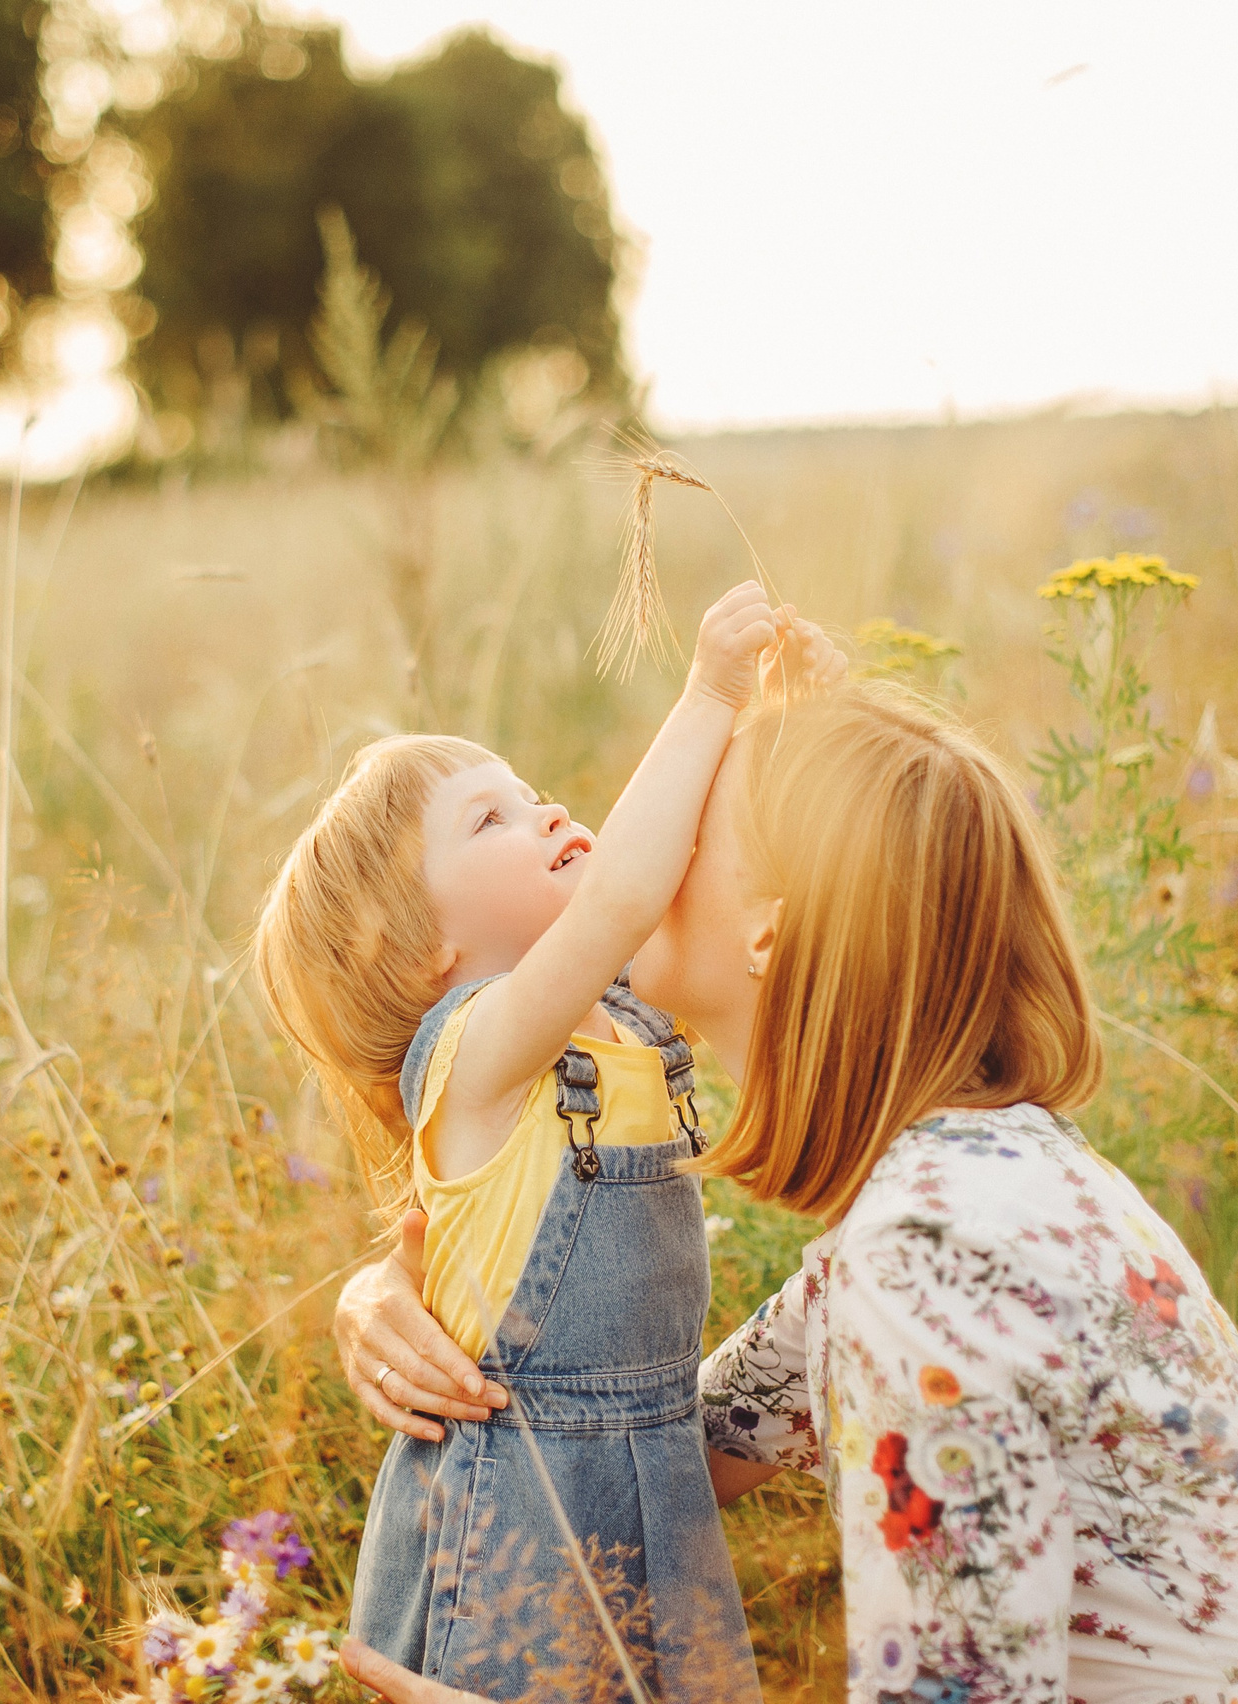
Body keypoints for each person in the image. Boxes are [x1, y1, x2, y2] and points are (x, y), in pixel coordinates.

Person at [337, 681, 1238, 1704]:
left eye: (692, 831)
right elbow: (644, 1444)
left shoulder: (926, 1263)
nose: (644, 849)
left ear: (768, 932)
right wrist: (415, 1289)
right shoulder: (970, 1189)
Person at [254, 580, 841, 1701]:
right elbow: (625, 893)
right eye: (491, 822)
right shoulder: (473, 1055)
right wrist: (708, 691)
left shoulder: (621, 1016)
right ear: (410, 948)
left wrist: (788, 715)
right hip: (515, 1519)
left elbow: (711, 878)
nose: (550, 815)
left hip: (657, 1484)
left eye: (532, 796)